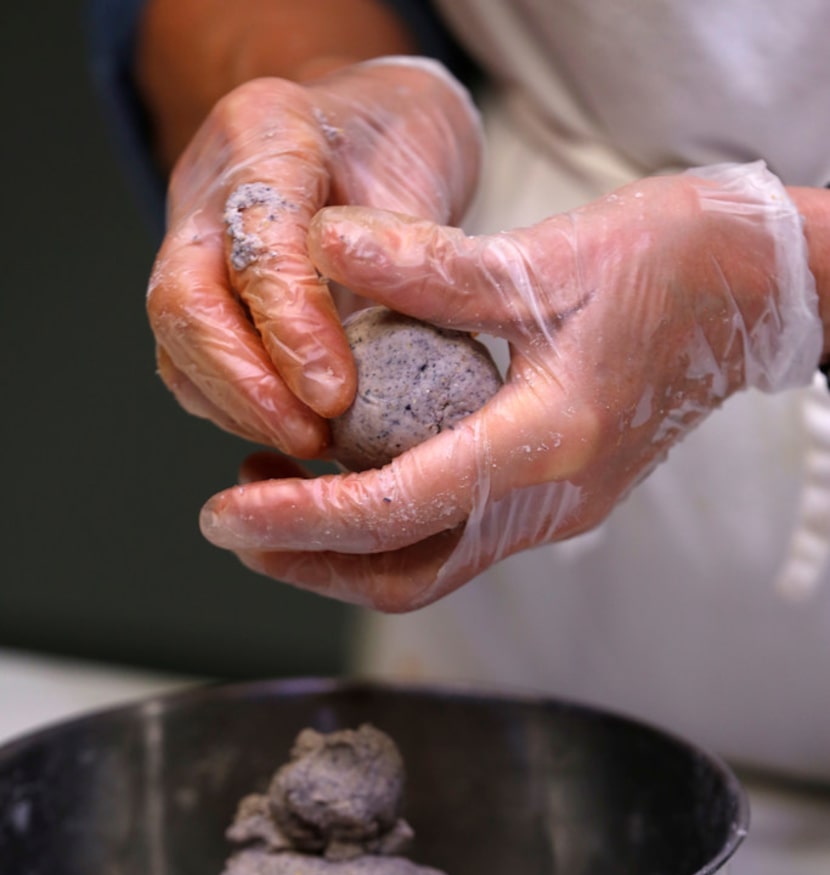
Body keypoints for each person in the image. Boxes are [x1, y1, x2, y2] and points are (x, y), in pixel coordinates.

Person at [88, 0, 830, 782]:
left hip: (577, 321)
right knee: (520, 837)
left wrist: (783, 270)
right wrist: (323, 86)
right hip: (522, 507)